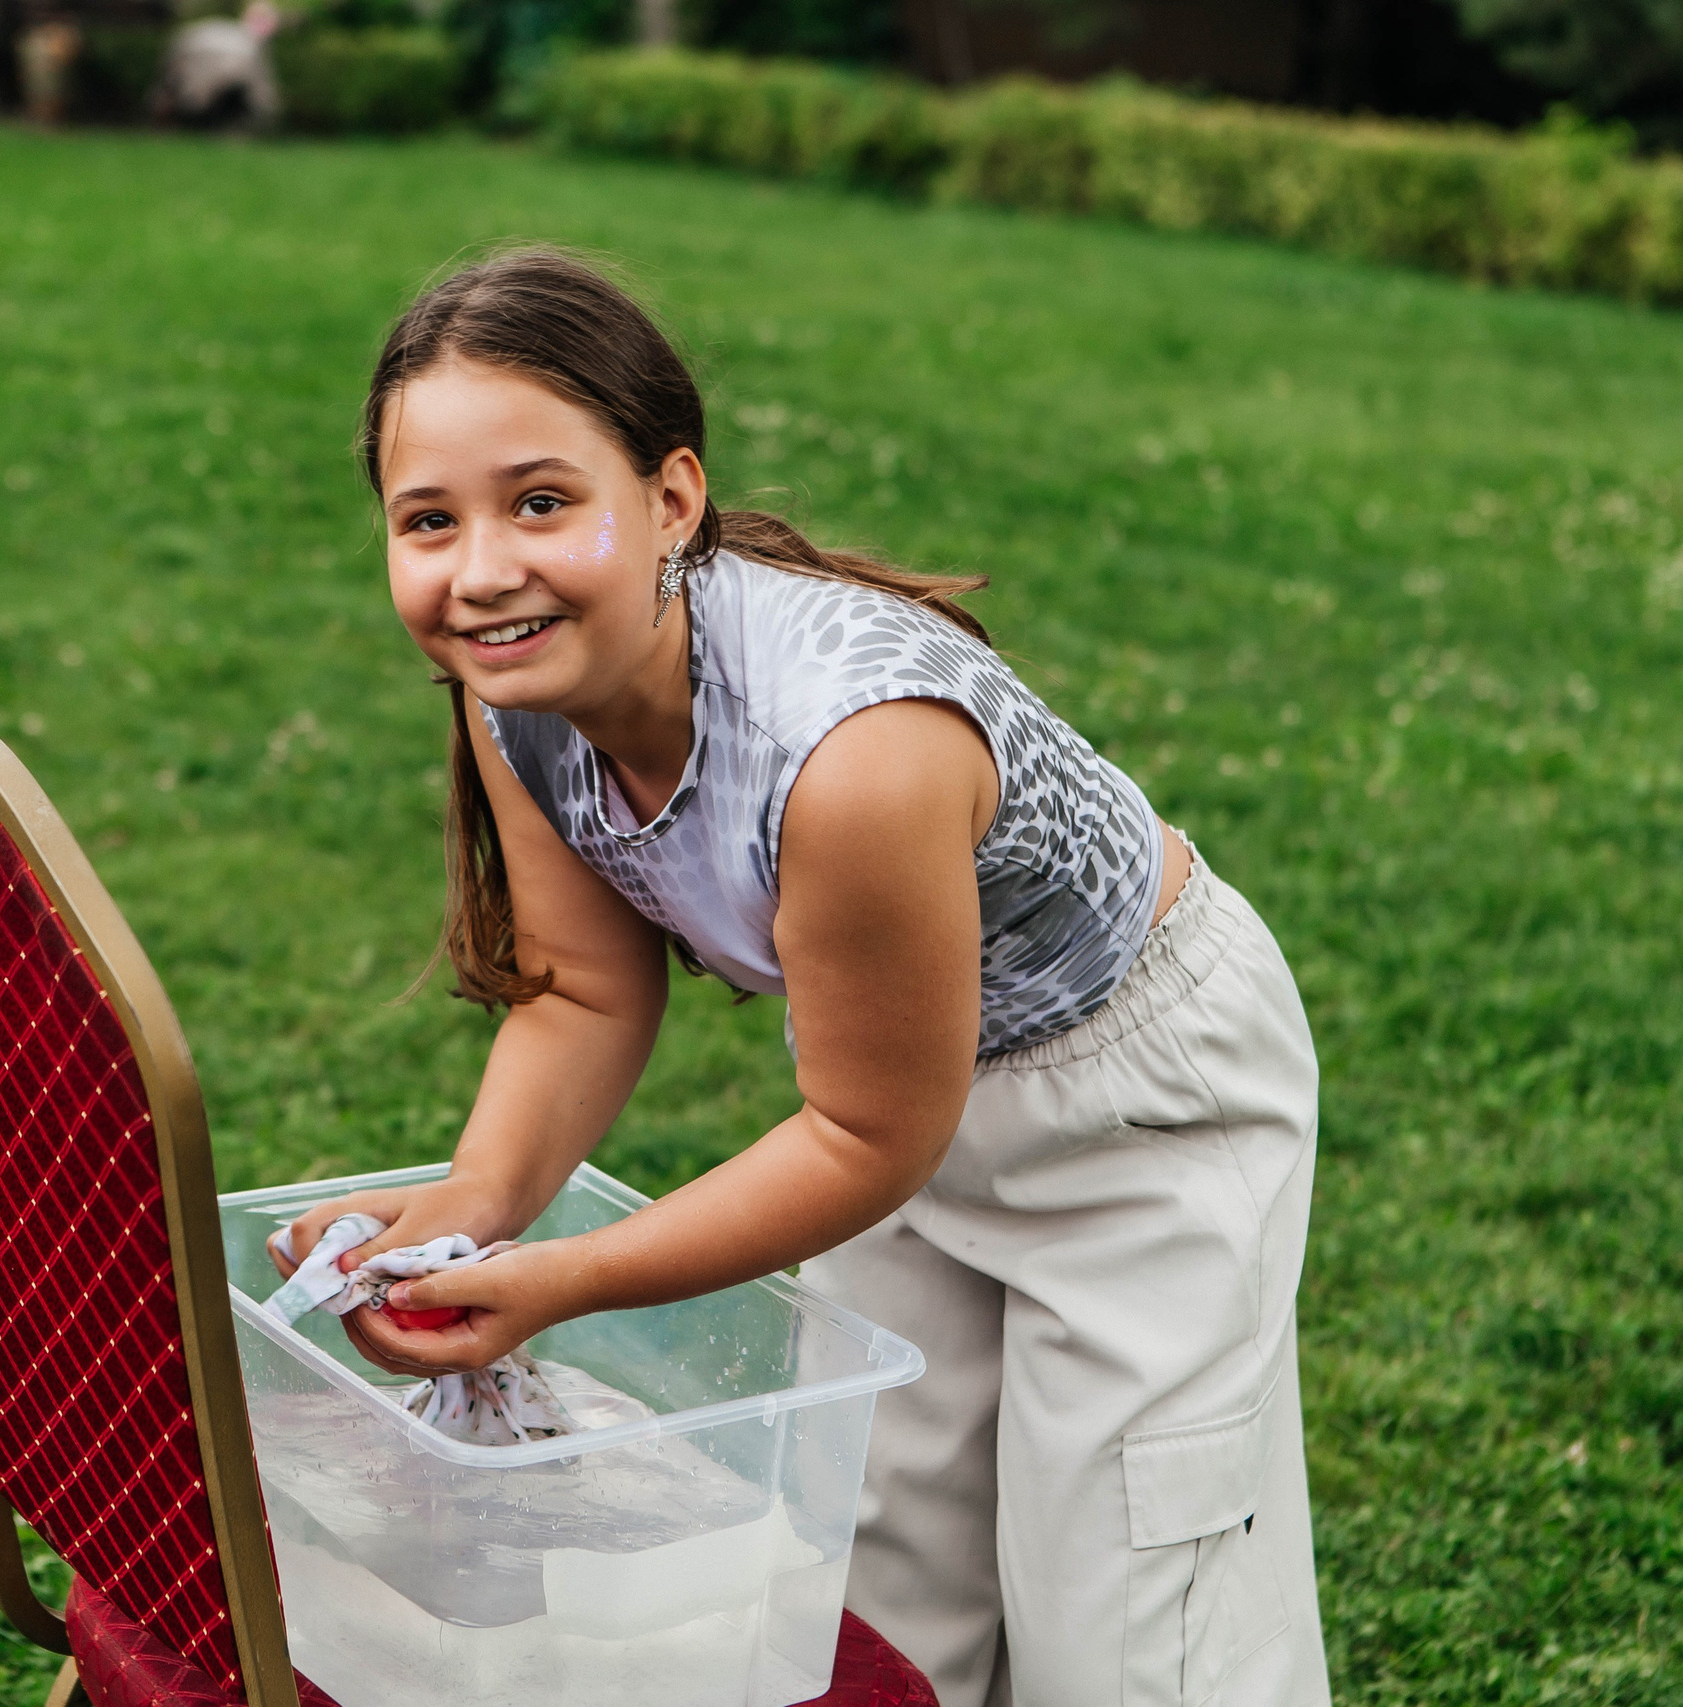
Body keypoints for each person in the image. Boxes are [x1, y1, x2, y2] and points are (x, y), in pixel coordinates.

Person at [269, 248, 1330, 1707]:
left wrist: (559, 1282)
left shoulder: (855, 753)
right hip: (903, 1090)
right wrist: (474, 1207)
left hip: (1140, 1102)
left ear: (673, 500)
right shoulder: (516, 689)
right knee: (883, 1588)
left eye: (541, 502)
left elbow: (862, 1135)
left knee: (1133, 1617)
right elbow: (581, 990)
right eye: (427, 521)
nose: (483, 570)